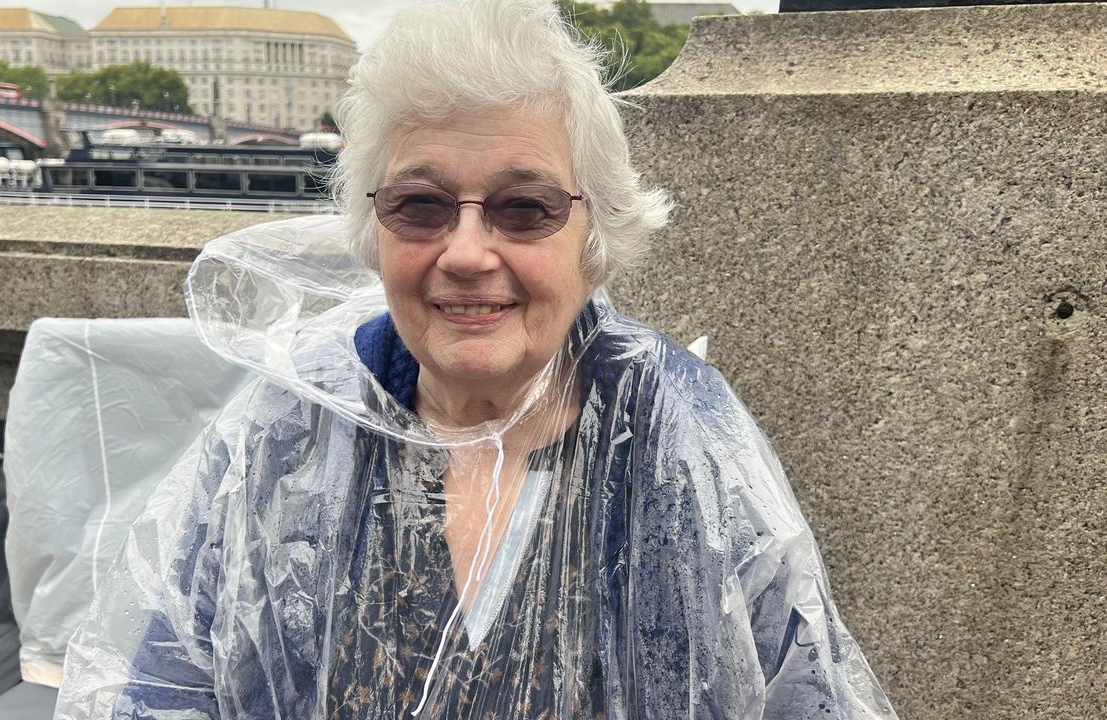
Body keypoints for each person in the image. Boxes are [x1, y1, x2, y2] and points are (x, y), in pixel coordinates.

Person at [54, 1, 900, 718]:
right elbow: (169, 689)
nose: (465, 251)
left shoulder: (681, 444)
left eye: (523, 207)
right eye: (420, 205)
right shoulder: (288, 436)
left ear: (595, 236)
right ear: (373, 231)